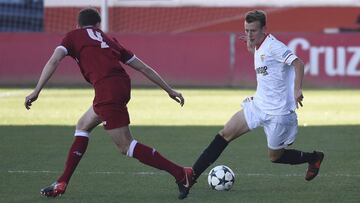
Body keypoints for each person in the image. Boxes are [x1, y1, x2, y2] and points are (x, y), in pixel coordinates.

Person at [24, 8, 193, 198]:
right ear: (98, 25)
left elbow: (54, 60)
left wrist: (36, 90)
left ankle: (181, 173)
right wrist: (169, 90)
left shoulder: (72, 36)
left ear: (77, 25)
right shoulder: (108, 39)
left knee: (125, 146)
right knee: (82, 125)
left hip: (108, 91)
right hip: (119, 85)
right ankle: (62, 182)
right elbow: (143, 67)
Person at [178, 10, 325, 200]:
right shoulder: (257, 44)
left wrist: (297, 90)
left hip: (278, 114)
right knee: (225, 133)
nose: (249, 34)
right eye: (246, 30)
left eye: (253, 31)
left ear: (264, 29)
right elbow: (257, 52)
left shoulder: (274, 47)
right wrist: (249, 43)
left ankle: (313, 158)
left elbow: (298, 63)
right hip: (258, 106)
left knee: (275, 157)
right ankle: (191, 177)